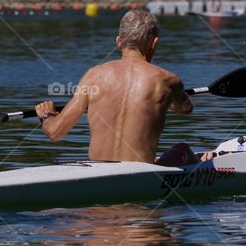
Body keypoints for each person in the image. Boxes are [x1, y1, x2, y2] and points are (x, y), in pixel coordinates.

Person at [35, 10, 213, 167]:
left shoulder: (93, 76)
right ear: (154, 43)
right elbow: (186, 109)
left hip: (97, 172)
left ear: (119, 42)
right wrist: (174, 95)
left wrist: (46, 115)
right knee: (182, 150)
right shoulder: (166, 80)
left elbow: (54, 132)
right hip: (140, 176)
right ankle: (201, 164)